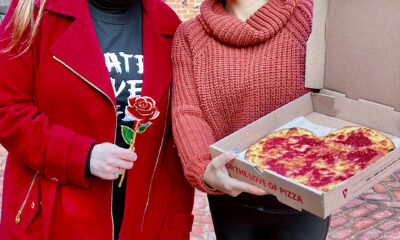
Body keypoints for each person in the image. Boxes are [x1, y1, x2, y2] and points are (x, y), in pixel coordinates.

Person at [0, 0, 194, 239]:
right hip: (53, 216)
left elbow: (173, 142)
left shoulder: (168, 24)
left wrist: (176, 227)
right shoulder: (35, 11)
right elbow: (8, 109)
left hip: (141, 220)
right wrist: (81, 155)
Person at [171, 0, 331, 239]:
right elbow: (188, 111)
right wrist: (204, 168)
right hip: (231, 193)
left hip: (305, 196)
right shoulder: (190, 36)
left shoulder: (311, 18)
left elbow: (337, 93)